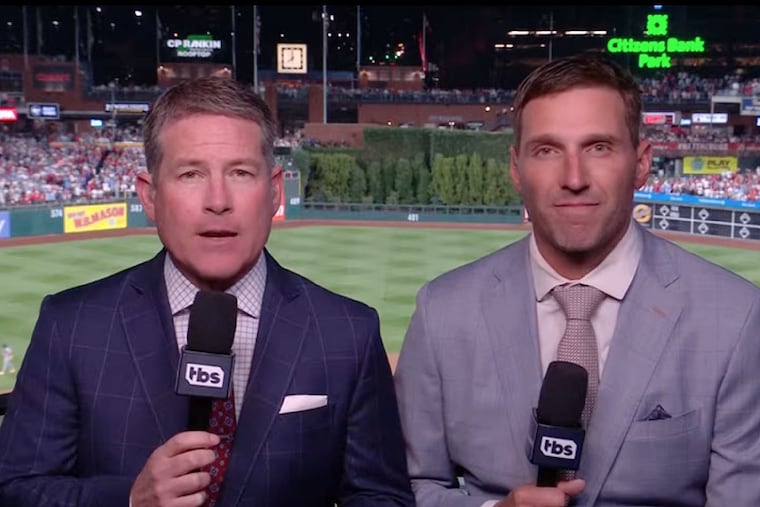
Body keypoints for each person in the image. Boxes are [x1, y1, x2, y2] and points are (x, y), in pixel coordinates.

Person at [0, 76, 414, 507]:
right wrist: (127, 499)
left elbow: (381, 496)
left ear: (274, 191)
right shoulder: (72, 325)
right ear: (150, 195)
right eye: (191, 173)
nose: (218, 200)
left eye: (240, 172)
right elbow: (15, 490)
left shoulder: (349, 332)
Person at [394, 54, 760, 506]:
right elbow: (406, 488)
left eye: (598, 147)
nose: (573, 178)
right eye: (547, 150)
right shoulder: (443, 311)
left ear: (641, 162)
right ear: (515, 168)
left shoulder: (735, 317)